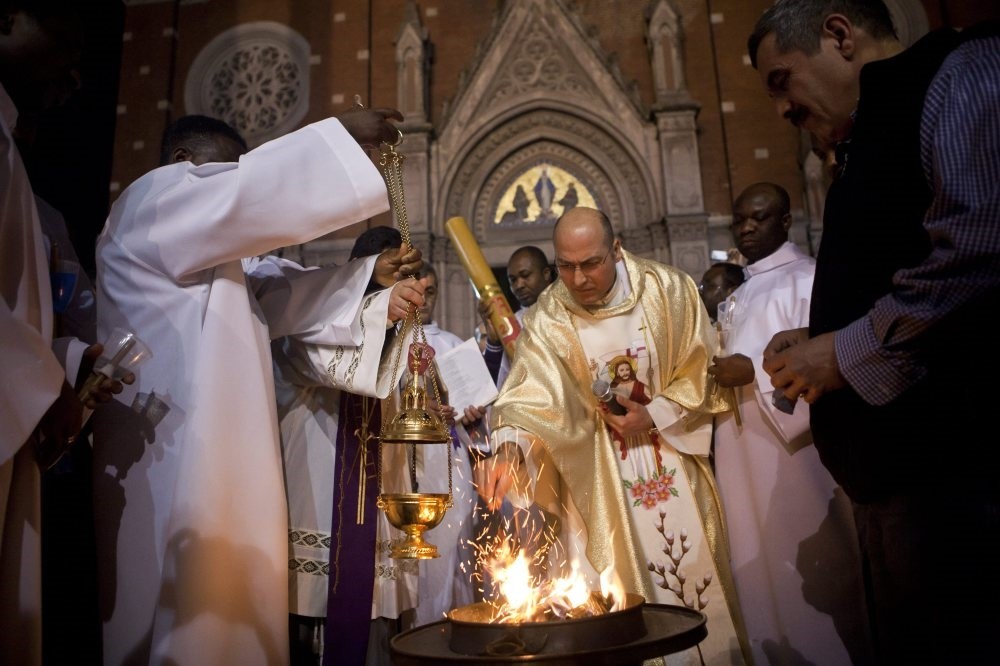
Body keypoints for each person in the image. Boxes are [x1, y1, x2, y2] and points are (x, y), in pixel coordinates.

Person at [92, 111, 427, 665]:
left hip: (219, 452)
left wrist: (367, 280)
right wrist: (340, 136)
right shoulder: (150, 201)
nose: (231, 187)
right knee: (178, 612)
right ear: (180, 164)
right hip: (169, 450)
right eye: (220, 175)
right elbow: (250, 198)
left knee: (230, 612)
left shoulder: (219, 261)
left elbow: (274, 287)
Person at [748, 3, 1000, 661]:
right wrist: (818, 336)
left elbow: (978, 251)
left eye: (782, 80)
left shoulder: (958, 72)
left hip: (959, 485)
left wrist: (844, 349)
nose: (783, 111)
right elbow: (901, 271)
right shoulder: (869, 131)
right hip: (898, 496)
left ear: (839, 35)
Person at [483, 207, 750, 665]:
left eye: (591, 263)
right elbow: (527, 395)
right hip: (599, 477)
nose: (579, 278)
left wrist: (653, 416)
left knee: (695, 584)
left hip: (671, 457)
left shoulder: (668, 290)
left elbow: (703, 370)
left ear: (617, 248)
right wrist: (509, 448)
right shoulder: (549, 316)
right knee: (612, 599)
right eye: (566, 266)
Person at [0, 3, 127, 663]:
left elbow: (37, 302)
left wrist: (74, 359)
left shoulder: (28, 184)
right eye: (65, 43)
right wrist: (48, 380)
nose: (77, 77)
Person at [708, 182, 870, 664]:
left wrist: (753, 373)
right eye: (740, 220)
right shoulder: (741, 290)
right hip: (740, 450)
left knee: (812, 575)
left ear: (785, 220)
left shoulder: (809, 279)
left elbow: (827, 365)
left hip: (795, 457)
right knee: (757, 572)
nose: (747, 228)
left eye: (759, 218)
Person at [269, 225, 421, 666]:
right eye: (380, 287)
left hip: (384, 505)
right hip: (322, 505)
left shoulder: (404, 330)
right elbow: (333, 364)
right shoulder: (307, 322)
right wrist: (381, 310)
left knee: (383, 628)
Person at [404, 264, 479, 627]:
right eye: (418, 289)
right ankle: (421, 635)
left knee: (457, 547)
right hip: (409, 462)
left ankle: (459, 630)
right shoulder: (391, 345)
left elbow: (476, 409)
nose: (424, 298)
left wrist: (474, 414)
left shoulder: (451, 344)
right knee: (420, 558)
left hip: (451, 457)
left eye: (431, 291)